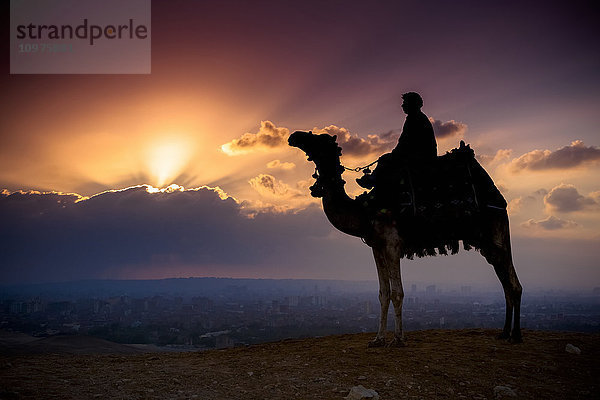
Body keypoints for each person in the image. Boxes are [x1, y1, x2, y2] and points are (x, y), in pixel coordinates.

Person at [357, 92, 437, 189]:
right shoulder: (417, 118)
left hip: (419, 156)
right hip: (420, 154)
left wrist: (395, 153)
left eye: (405, 103)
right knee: (386, 158)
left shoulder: (414, 119)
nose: (402, 105)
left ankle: (373, 181)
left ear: (412, 104)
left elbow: (406, 142)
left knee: (385, 159)